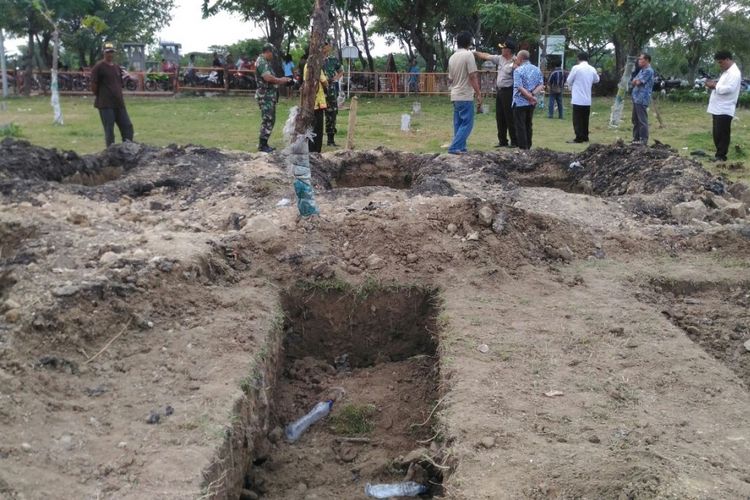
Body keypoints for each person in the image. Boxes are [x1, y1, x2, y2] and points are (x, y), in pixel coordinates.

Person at [474, 38, 516, 148]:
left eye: (503, 48)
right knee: (500, 116)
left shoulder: (516, 61)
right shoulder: (500, 59)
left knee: (510, 117)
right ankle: (502, 141)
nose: (501, 50)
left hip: (510, 91)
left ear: (509, 50)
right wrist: (474, 52)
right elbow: (486, 55)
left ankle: (514, 141)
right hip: (500, 91)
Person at [90, 42, 134, 147]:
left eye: (111, 52)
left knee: (127, 126)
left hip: (119, 103)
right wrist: (101, 95)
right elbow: (93, 85)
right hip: (105, 104)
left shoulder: (117, 67)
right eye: (108, 52)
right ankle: (110, 152)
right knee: (109, 130)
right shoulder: (98, 67)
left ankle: (128, 148)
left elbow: (119, 83)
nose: (110, 54)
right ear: (104, 53)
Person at [447, 31, 482, 154]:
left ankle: (461, 147)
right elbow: (472, 76)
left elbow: (450, 78)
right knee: (467, 123)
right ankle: (455, 147)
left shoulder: (452, 57)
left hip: (455, 94)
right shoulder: (468, 55)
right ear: (469, 43)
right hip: (465, 94)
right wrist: (478, 93)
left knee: (459, 123)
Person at [254, 44, 291, 153]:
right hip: (265, 95)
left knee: (270, 119)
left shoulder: (265, 62)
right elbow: (267, 77)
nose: (273, 56)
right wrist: (281, 80)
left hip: (269, 95)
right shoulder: (261, 62)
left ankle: (264, 144)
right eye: (272, 54)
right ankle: (262, 145)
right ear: (268, 51)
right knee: (268, 119)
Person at [706, 50, 742, 162]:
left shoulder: (734, 73)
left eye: (721, 62)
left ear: (728, 59)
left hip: (725, 108)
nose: (720, 65)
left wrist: (715, 86)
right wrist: (714, 84)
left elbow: (729, 88)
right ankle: (718, 154)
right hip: (718, 108)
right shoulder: (727, 72)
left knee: (722, 134)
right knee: (717, 133)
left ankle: (721, 156)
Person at [511, 49, 544, 150]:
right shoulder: (536, 69)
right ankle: (528, 145)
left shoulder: (518, 70)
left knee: (520, 125)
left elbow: (519, 87)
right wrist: (533, 95)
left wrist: (529, 97)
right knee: (528, 124)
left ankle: (523, 147)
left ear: (520, 58)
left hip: (520, 102)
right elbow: (541, 85)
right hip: (531, 103)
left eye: (517, 57)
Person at [565, 52, 600, 143]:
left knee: (577, 119)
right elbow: (597, 80)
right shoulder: (592, 69)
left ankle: (579, 137)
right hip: (587, 99)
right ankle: (585, 136)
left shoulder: (576, 68)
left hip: (577, 98)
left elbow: (569, 80)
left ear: (578, 59)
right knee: (585, 119)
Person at [303, 62, 328, 152]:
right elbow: (324, 81)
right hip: (316, 103)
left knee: (310, 129)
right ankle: (316, 151)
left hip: (309, 103)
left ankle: (311, 149)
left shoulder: (307, 66)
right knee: (317, 129)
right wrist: (327, 84)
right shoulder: (315, 65)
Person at [322, 41, 343, 146]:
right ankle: (313, 140)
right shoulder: (314, 59)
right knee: (315, 115)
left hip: (330, 90)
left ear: (329, 47)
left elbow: (341, 71)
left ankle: (330, 140)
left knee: (332, 114)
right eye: (322, 44)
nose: (324, 47)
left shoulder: (333, 60)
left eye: (326, 45)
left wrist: (335, 79)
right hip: (318, 91)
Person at [631, 53, 654, 145]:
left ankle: (643, 139)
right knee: (635, 119)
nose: (639, 61)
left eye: (641, 59)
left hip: (642, 98)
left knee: (642, 120)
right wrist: (635, 81)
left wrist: (636, 81)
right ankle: (635, 138)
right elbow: (633, 81)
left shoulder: (648, 71)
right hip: (636, 98)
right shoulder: (642, 70)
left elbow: (638, 82)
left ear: (647, 60)